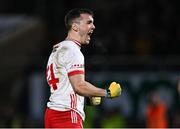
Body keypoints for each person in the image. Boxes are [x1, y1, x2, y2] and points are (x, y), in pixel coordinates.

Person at [44, 8, 122, 128]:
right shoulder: (73, 51)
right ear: (75, 27)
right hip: (67, 116)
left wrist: (85, 98)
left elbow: (65, 86)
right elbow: (79, 86)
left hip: (52, 114)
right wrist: (107, 93)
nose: (94, 26)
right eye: (89, 22)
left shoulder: (58, 49)